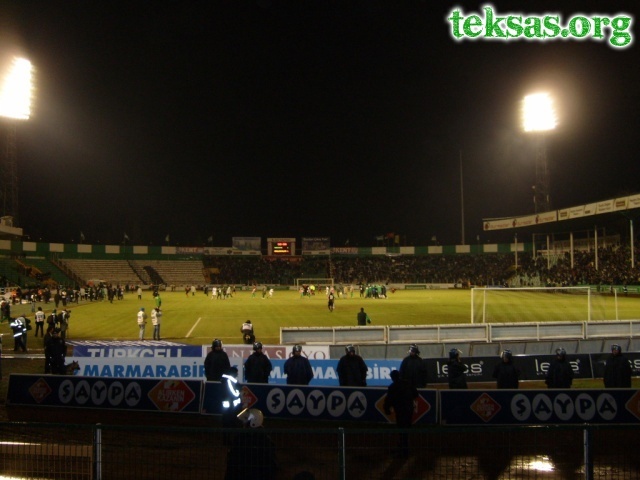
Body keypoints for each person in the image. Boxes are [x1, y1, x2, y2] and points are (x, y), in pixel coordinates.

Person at [224, 408, 277, 480]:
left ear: (253, 422)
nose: (243, 423)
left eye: (246, 420)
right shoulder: (265, 440)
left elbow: (233, 462)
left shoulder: (242, 438)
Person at [384, 370, 418, 458]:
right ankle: (403, 448)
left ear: (392, 378)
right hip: (409, 410)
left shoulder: (393, 387)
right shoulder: (407, 383)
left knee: (402, 430)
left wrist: (387, 409)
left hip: (400, 411)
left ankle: (404, 450)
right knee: (405, 429)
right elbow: (416, 394)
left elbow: (388, 400)